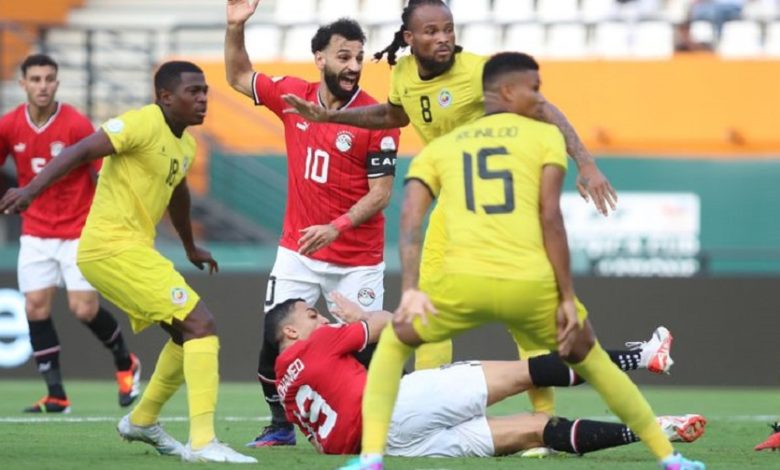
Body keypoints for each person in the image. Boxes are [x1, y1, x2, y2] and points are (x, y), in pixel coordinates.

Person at [343, 52, 706, 470]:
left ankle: (371, 459)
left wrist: (410, 290)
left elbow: (410, 220)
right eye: (534, 89)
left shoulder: (440, 148)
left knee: (393, 346)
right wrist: (565, 294)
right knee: (591, 362)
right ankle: (669, 458)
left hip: (463, 281)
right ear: (507, 92)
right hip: (527, 281)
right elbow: (551, 219)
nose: (540, 97)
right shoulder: (544, 139)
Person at [282, 0, 618, 426]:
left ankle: (544, 421)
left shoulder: (478, 71)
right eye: (431, 31)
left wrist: (586, 162)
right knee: (425, 306)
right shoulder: (403, 73)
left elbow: (543, 107)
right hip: (452, 205)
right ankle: (428, 412)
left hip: (502, 206)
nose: (443, 38)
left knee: (524, 314)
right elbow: (393, 114)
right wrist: (333, 116)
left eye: (448, 29)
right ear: (409, 38)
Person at [0, 60, 255, 464]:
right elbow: (80, 151)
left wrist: (190, 246)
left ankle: (142, 420)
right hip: (109, 248)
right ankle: (203, 441)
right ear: (165, 97)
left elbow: (177, 194)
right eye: (193, 91)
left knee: (185, 333)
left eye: (205, 91)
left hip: (135, 249)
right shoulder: (140, 123)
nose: (203, 98)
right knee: (201, 324)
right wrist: (30, 190)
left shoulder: (185, 145)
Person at [225, 0, 400, 448]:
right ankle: (280, 425)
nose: (354, 66)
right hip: (298, 250)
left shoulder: (376, 118)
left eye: (359, 57)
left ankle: (382, 427)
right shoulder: (293, 97)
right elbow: (238, 76)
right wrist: (235, 27)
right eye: (344, 56)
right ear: (319, 58)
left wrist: (336, 226)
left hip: (357, 259)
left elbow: (381, 193)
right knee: (274, 338)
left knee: (367, 347)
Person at [267, 295, 706, 457]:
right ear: (291, 332)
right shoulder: (318, 343)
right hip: (397, 405)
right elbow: (386, 324)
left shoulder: (286, 388)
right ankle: (644, 356)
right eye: (311, 315)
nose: (321, 318)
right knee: (526, 373)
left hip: (392, 446)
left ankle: (656, 430)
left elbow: (324, 444)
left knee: (536, 429)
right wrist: (359, 315)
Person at [0, 53, 140, 413]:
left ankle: (125, 362)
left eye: (49, 79)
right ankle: (56, 394)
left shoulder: (76, 123)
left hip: (79, 230)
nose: (43, 86)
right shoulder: (9, 125)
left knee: (83, 308)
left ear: (57, 83)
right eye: (35, 79)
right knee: (35, 306)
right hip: (35, 230)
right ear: (23, 84)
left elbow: (102, 172)